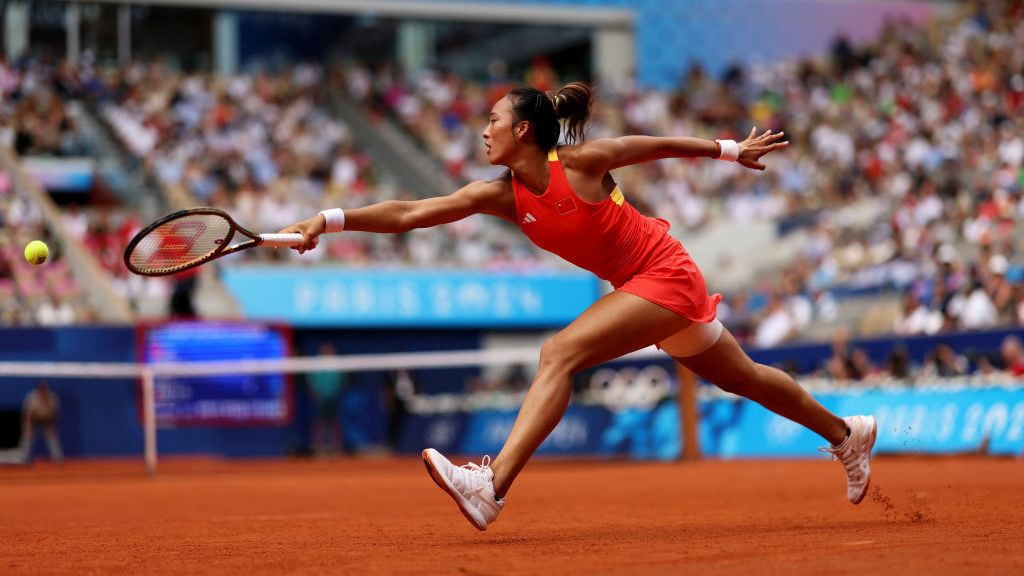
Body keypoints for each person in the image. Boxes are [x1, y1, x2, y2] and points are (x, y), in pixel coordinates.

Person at [281, 82, 876, 531]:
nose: (483, 131)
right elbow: (409, 213)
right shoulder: (501, 198)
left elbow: (651, 145)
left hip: (665, 274)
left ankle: (491, 485)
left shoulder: (582, 163)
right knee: (744, 378)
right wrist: (327, 222)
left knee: (558, 352)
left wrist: (727, 150)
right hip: (641, 288)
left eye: (493, 121)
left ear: (523, 132)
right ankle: (846, 433)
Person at [19, 380, 64, 465]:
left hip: (47, 420)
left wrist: (52, 425)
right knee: (28, 437)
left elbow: (55, 412)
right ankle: (23, 458)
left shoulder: (52, 397)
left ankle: (58, 459)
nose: (43, 390)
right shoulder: (32, 397)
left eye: (45, 388)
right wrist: (28, 427)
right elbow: (28, 414)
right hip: (33, 420)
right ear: (38, 389)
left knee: (52, 437)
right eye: (41, 388)